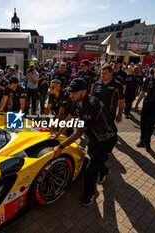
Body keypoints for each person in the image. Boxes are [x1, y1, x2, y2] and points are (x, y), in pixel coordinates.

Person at [51, 78, 118, 206]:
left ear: (84, 91)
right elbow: (68, 120)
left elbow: (78, 133)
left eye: (74, 92)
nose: (71, 95)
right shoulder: (76, 102)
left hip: (107, 140)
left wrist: (61, 146)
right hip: (93, 139)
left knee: (91, 169)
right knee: (95, 158)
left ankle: (89, 194)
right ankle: (104, 171)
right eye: (70, 91)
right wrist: (58, 134)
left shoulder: (93, 105)